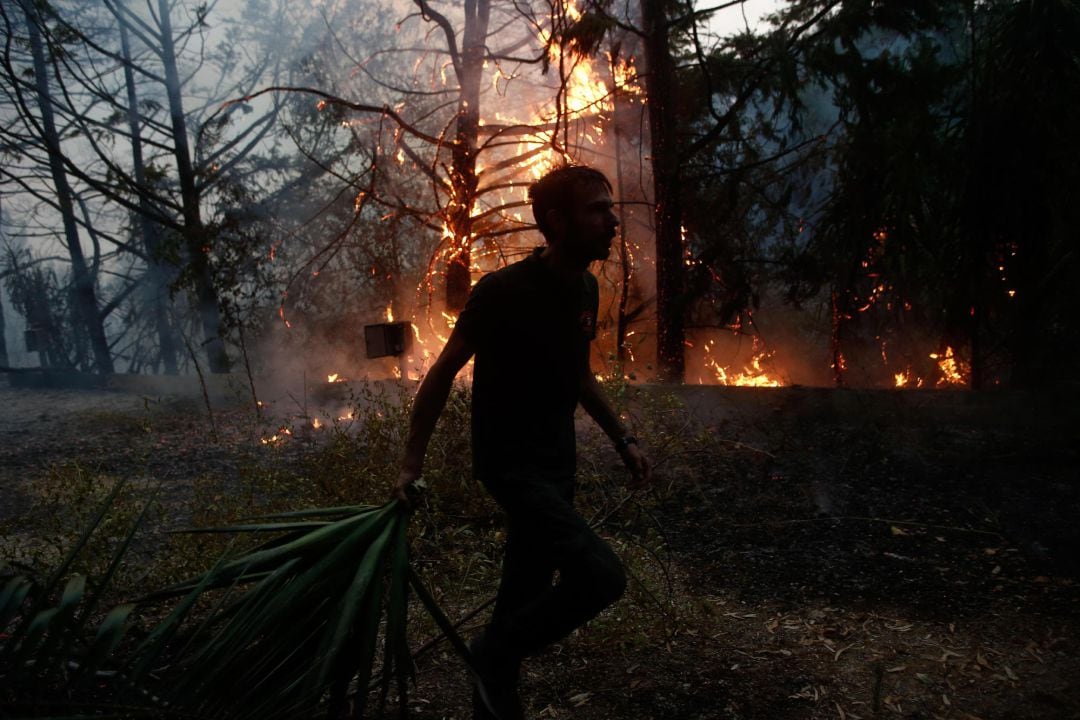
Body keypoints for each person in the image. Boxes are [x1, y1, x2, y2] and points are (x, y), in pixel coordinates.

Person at [391, 165, 651, 720]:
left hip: (558, 464)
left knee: (523, 593)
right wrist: (411, 464)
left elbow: (579, 376)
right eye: (597, 209)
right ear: (557, 221)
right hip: (511, 468)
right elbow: (442, 374)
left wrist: (623, 438)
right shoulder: (502, 292)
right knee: (601, 576)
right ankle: (492, 654)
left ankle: (494, 697)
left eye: (610, 208)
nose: (611, 220)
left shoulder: (585, 286)